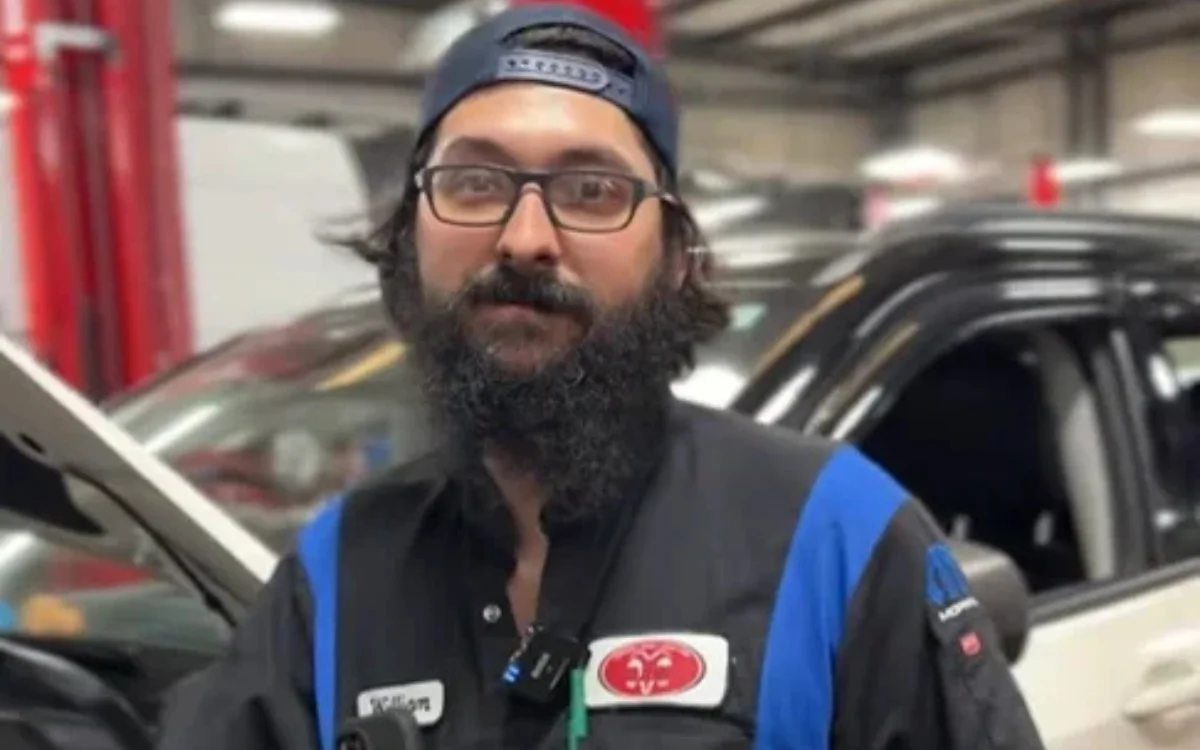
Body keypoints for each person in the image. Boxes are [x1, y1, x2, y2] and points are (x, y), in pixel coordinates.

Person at [156, 3, 1047, 750]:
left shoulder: (839, 536)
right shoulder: (338, 571)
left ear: (676, 257)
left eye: (592, 192)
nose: (524, 238)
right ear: (409, 238)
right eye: (474, 182)